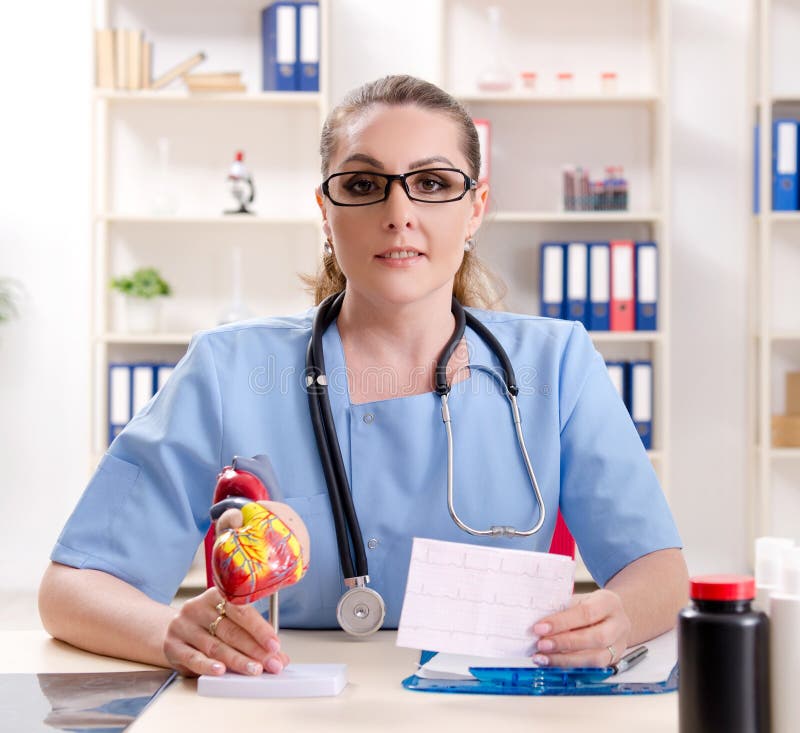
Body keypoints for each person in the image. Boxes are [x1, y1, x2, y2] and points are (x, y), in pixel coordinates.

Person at [39, 74, 688, 678]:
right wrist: (169, 632)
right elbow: (71, 589)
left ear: (477, 207)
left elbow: (657, 569)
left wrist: (619, 616)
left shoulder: (559, 364)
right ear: (325, 210)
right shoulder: (230, 368)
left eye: (432, 183)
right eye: (362, 184)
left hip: (495, 704)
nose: (398, 212)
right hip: (279, 704)